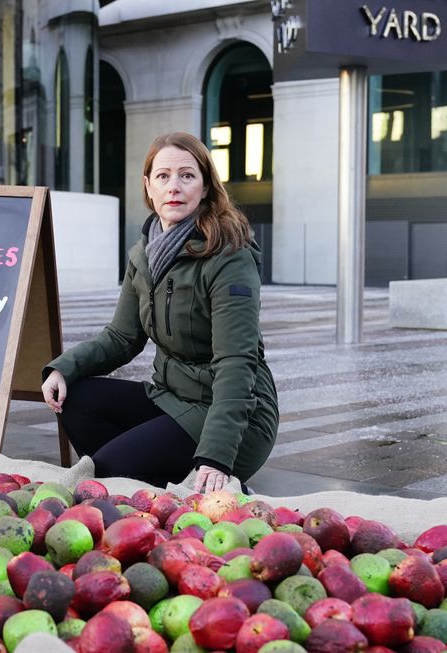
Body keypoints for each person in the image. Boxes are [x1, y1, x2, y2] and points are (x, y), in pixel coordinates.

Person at [41, 132, 278, 494]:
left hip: (235, 418)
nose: (174, 187)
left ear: (205, 186)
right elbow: (121, 337)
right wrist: (63, 368)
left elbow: (236, 362)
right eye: (163, 176)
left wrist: (217, 455)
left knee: (107, 470)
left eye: (187, 175)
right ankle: (156, 473)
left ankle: (188, 473)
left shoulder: (229, 255)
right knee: (75, 397)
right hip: (170, 398)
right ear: (148, 186)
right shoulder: (146, 252)